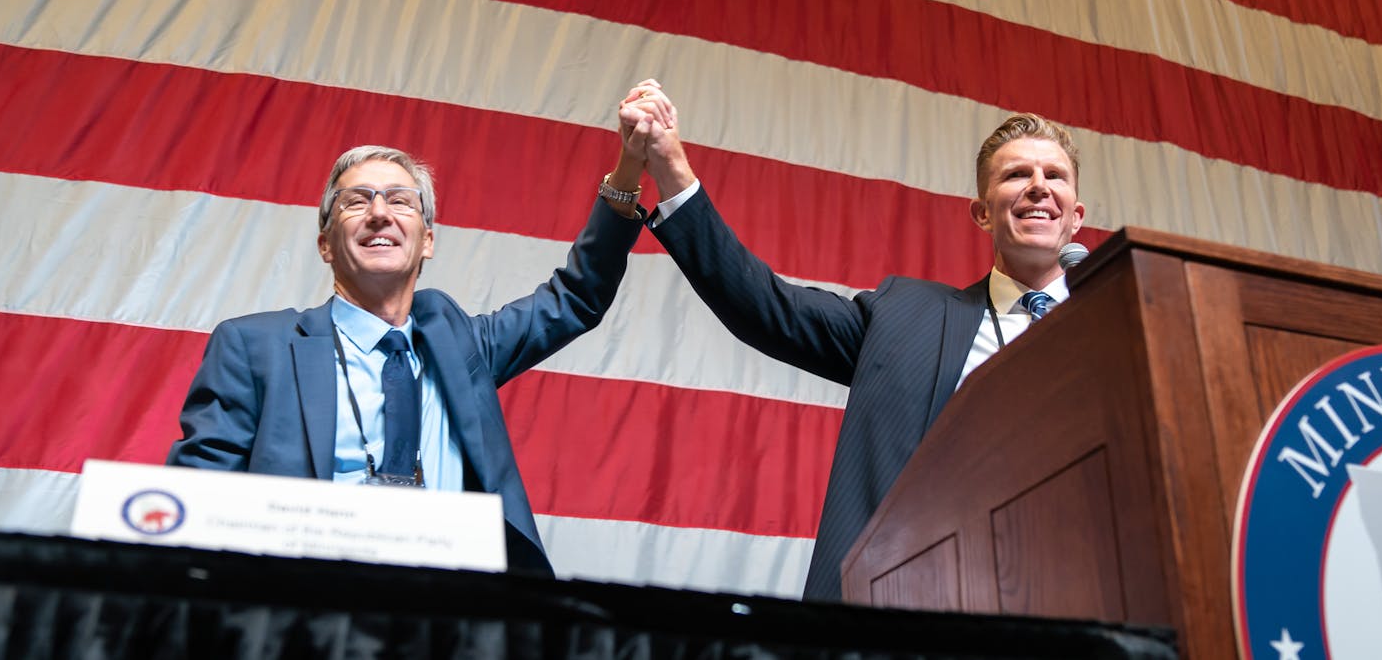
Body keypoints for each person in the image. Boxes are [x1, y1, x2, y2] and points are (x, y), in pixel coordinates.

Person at [167, 83, 674, 573]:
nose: (380, 213)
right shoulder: (257, 347)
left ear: (426, 240)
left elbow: (576, 297)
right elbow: (197, 505)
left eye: (400, 200)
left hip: (450, 615)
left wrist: (629, 168)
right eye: (357, 201)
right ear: (325, 245)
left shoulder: (462, 347)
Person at [625, 86, 1085, 600]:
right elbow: (766, 307)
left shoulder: (1118, 330)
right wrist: (670, 169)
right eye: (1017, 175)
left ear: (1076, 215)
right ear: (981, 213)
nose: (1039, 188)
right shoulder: (907, 318)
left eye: (1054, 176)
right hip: (924, 606)